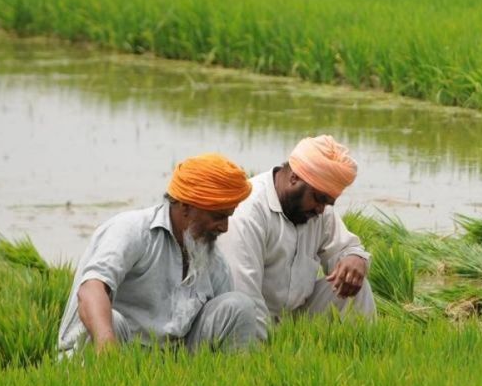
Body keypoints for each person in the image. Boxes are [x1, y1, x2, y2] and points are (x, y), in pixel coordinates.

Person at [58, 153, 264, 356]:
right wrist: (108, 353)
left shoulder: (215, 261)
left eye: (228, 217)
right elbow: (90, 291)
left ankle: (232, 375)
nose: (225, 227)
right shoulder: (132, 231)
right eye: (218, 216)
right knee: (112, 321)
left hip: (169, 362)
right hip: (112, 352)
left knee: (239, 307)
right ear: (185, 206)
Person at [217, 135, 376, 338]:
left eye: (327, 203)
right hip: (248, 319)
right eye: (319, 199)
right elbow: (245, 295)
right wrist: (267, 353)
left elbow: (345, 249)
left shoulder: (317, 211)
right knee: (244, 307)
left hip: (293, 316)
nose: (321, 210)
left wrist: (355, 258)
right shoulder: (248, 212)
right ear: (294, 178)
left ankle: (366, 348)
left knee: (355, 286)